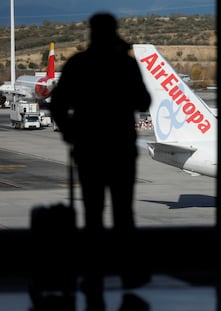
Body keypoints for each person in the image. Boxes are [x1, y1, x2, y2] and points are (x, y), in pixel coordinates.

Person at [50, 12, 151, 308]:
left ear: (91, 33)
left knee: (92, 215)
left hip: (89, 150)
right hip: (120, 150)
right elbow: (143, 102)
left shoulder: (79, 64)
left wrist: (70, 132)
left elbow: (57, 104)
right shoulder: (125, 64)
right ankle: (128, 274)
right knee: (123, 215)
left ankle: (93, 274)